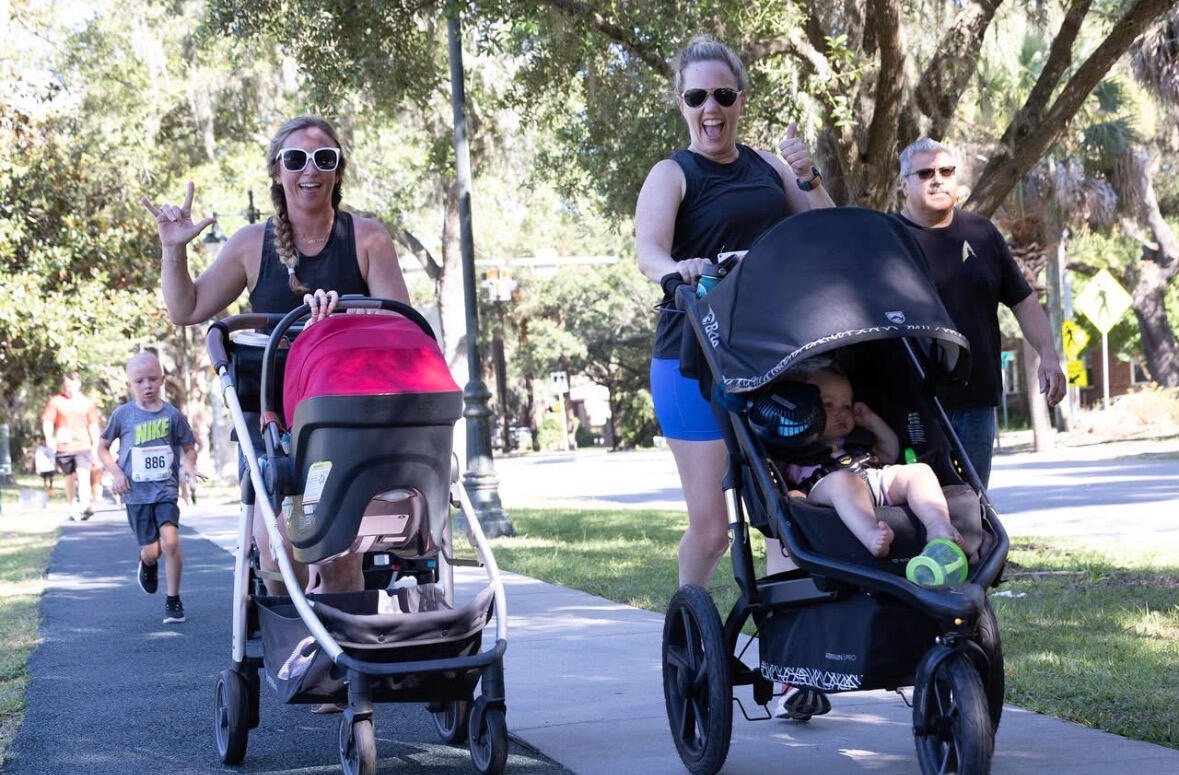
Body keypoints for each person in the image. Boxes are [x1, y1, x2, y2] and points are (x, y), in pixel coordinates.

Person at [634, 35, 835, 722]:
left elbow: (827, 232)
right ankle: (686, 630)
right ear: (682, 104)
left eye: (723, 94)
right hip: (690, 360)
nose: (711, 108)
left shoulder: (768, 166)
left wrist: (807, 176)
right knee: (714, 528)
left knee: (782, 513)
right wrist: (677, 269)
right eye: (697, 96)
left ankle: (787, 666)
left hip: (769, 356)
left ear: (740, 99)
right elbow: (647, 248)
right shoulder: (673, 173)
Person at [140, 115, 411, 600]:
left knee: (339, 553)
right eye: (296, 159)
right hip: (271, 418)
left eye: (323, 158)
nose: (310, 169)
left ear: (337, 170)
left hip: (344, 416)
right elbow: (185, 309)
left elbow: (402, 326)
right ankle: (292, 639)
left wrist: (350, 315)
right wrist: (173, 250)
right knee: (278, 548)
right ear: (278, 172)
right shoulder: (251, 244)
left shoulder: (367, 238)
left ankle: (340, 643)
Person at [893, 137, 1066, 486]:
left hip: (976, 402)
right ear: (904, 185)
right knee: (917, 505)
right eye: (925, 173)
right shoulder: (888, 238)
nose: (937, 180)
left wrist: (1048, 354)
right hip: (910, 405)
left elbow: (1023, 300)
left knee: (974, 503)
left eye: (946, 171)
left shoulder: (982, 232)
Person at [783, 367, 965, 559]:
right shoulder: (794, 450)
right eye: (828, 405)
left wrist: (871, 421)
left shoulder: (857, 439)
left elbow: (889, 452)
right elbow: (785, 486)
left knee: (919, 471)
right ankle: (871, 534)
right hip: (828, 493)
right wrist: (795, 498)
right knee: (842, 481)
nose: (841, 413)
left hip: (872, 481)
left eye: (847, 406)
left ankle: (938, 524)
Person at [97, 351, 200, 624]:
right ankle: (147, 562)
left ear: (162, 380)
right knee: (153, 550)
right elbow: (102, 448)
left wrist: (188, 466)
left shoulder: (172, 415)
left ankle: (173, 600)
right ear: (129, 385)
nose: (147, 386)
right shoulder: (122, 415)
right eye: (140, 381)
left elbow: (189, 447)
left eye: (153, 379)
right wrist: (117, 473)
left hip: (165, 490)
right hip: (136, 494)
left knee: (171, 542)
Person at [42, 372, 101, 521]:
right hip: (64, 447)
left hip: (83, 445)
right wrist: (49, 438)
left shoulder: (87, 403)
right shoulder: (56, 401)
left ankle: (85, 505)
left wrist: (95, 445)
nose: (70, 388)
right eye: (67, 385)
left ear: (79, 384)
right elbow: (48, 421)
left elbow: (93, 425)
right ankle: (72, 505)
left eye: (72, 385)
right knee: (69, 478)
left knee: (83, 474)